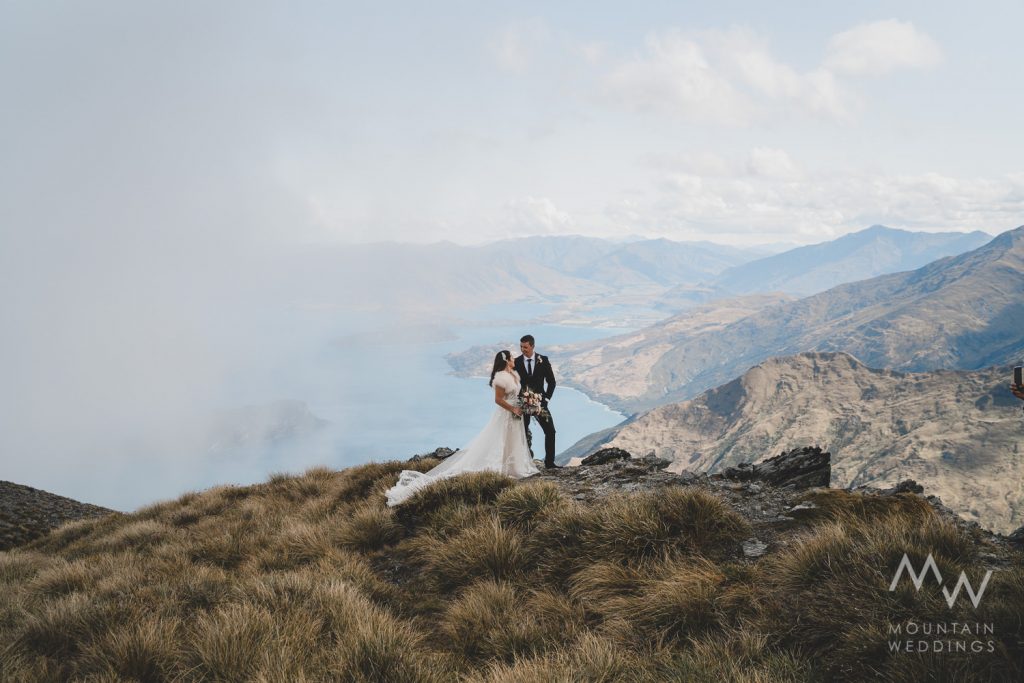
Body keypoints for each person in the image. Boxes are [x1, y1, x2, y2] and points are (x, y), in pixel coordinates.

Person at [385, 350, 538, 506]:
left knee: (514, 439)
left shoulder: (514, 374)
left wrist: (525, 404)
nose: (514, 359)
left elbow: (516, 394)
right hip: (506, 414)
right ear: (506, 361)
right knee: (501, 439)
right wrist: (513, 409)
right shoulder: (501, 378)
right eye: (512, 358)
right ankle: (501, 468)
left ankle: (513, 467)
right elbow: (498, 400)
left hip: (516, 413)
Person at [514, 334, 559, 468]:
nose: (523, 349)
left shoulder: (543, 360)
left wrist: (546, 399)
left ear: (533, 346)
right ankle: (523, 462)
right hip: (522, 404)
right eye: (521, 347)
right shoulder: (516, 362)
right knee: (522, 432)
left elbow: (552, 382)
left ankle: (550, 463)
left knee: (550, 431)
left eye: (525, 347)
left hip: (540, 404)